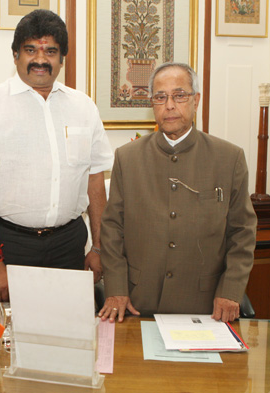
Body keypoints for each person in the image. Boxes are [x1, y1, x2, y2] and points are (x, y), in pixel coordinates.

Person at [0, 10, 113, 301]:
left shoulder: (83, 107)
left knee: (69, 331)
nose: (40, 60)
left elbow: (95, 182)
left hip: (69, 244)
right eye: (30, 50)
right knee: (12, 336)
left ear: (62, 58)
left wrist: (99, 248)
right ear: (16, 54)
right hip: (12, 245)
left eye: (51, 51)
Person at [98, 62, 256, 323]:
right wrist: (116, 289)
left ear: (196, 100)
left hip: (204, 305)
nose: (170, 105)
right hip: (138, 301)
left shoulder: (229, 158)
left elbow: (242, 232)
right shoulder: (128, 158)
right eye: (160, 97)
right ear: (152, 104)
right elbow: (112, 227)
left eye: (179, 95)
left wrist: (230, 291)